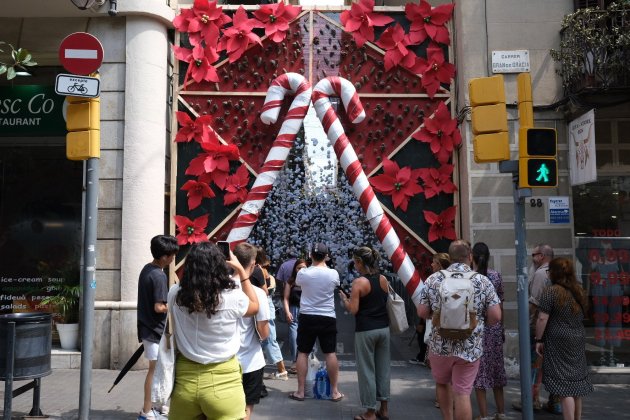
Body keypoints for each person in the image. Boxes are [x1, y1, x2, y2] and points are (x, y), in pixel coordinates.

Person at [167, 242, 259, 420]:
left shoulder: (175, 294)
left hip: (185, 383)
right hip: (225, 382)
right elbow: (254, 307)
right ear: (220, 264)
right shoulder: (232, 297)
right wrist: (241, 271)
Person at [418, 240, 501, 420]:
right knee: (462, 392)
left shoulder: (434, 279)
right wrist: (478, 322)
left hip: (440, 345)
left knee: (442, 384)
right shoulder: (482, 280)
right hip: (469, 346)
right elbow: (495, 316)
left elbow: (422, 312)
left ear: (451, 257)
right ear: (469, 257)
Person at [535, 258, 593, 420]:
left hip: (557, 339)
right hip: (578, 337)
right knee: (576, 383)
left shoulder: (551, 291)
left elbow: (542, 319)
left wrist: (539, 339)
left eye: (549, 271)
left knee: (564, 387)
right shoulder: (579, 290)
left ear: (554, 273)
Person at [288, 243, 344, 402]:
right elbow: (336, 285)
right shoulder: (333, 274)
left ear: (310, 255)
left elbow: (297, 283)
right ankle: (334, 392)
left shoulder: (304, 273)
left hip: (307, 316)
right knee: (330, 353)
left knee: (303, 352)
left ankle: (300, 391)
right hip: (327, 316)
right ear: (326, 256)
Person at [340, 246, 390, 420]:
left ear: (360, 262)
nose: (354, 264)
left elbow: (353, 309)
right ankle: (384, 409)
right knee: (383, 369)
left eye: (355, 261)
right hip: (384, 328)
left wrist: (345, 299)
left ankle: (370, 412)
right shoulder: (383, 279)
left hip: (366, 330)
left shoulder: (359, 283)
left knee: (367, 370)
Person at [136, 234, 179, 420]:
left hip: (148, 328)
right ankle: (146, 411)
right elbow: (159, 306)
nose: (173, 258)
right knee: (154, 370)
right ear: (164, 256)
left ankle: (160, 405)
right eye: (172, 255)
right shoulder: (159, 276)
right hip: (154, 330)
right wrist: (176, 305)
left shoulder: (147, 269)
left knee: (160, 369)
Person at [513, 243, 556, 413]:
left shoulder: (540, 274)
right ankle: (556, 401)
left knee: (535, 364)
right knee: (553, 366)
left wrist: (524, 322)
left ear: (541, 256)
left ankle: (532, 400)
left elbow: (534, 303)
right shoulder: (557, 272)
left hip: (540, 326)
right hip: (557, 326)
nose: (532, 258)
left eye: (534, 254)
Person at [234, 243, 271, 420]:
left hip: (223, 360)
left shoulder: (218, 289)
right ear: (254, 263)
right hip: (250, 360)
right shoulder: (258, 293)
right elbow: (264, 333)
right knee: (245, 410)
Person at [472, 243, 507, 420]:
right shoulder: (496, 276)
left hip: (477, 329)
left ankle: (483, 415)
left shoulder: (471, 278)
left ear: (472, 256)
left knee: (480, 374)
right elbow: (501, 304)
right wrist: (502, 328)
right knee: (496, 371)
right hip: (494, 328)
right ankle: (501, 412)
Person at [253, 247, 288, 381]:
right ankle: (280, 368)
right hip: (267, 305)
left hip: (262, 303)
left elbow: (264, 291)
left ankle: (282, 369)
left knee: (268, 338)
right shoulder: (264, 270)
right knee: (267, 337)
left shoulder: (258, 270)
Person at [410, 253, 451, 367]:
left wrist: (424, 318)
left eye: (433, 262)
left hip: (437, 325)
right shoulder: (458, 277)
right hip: (456, 325)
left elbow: (423, 309)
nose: (431, 264)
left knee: (438, 369)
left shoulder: (432, 280)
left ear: (439, 264)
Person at [283, 258, 307, 374]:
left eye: (304, 267)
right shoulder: (291, 281)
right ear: (295, 269)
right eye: (299, 268)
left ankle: (304, 360)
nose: (301, 270)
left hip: (307, 310)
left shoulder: (310, 280)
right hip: (294, 310)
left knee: (307, 336)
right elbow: (286, 298)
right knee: (293, 337)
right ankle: (294, 361)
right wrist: (287, 312)